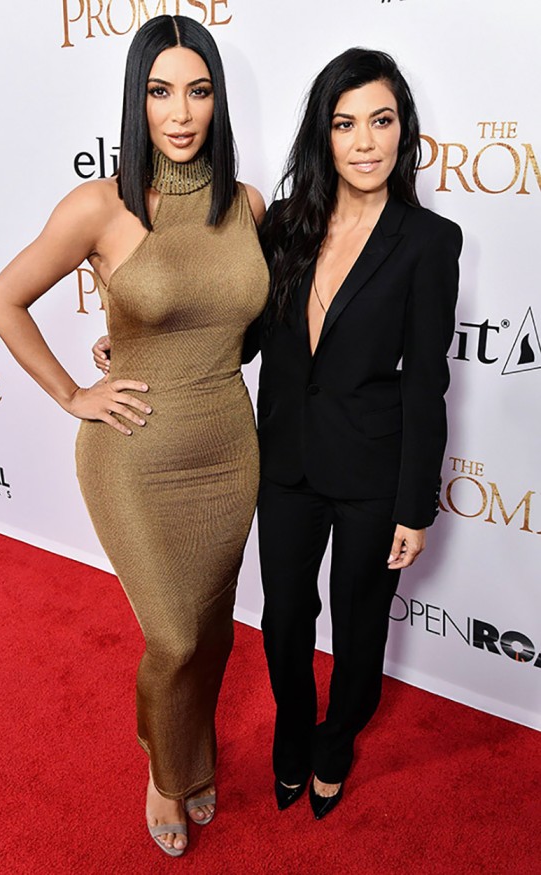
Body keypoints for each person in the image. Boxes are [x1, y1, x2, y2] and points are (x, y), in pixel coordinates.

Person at [0, 15, 268, 858]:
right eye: (159, 91)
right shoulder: (98, 205)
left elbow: (242, 325)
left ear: (217, 101)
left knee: (212, 629)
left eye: (198, 90)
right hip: (135, 452)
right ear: (134, 100)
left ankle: (192, 753)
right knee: (174, 634)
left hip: (227, 445)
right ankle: (163, 769)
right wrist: (74, 389)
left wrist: (151, 333)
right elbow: (2, 299)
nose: (179, 113)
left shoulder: (248, 205)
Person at [251, 47, 462, 819]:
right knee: (281, 622)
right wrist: (139, 339)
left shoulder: (427, 241)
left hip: (374, 472)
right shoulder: (283, 225)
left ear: (403, 131)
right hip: (284, 463)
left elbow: (426, 380)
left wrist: (415, 504)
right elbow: (241, 335)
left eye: (381, 120)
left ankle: (335, 741)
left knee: (359, 626)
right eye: (346, 124)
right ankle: (290, 733)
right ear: (323, 135)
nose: (365, 141)